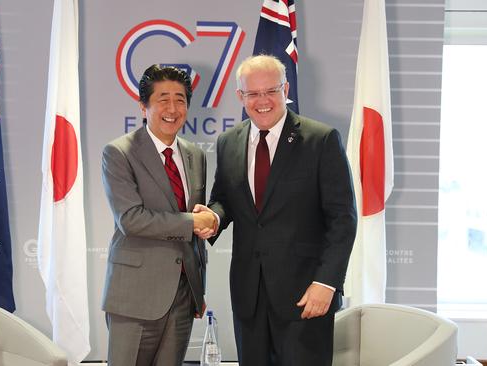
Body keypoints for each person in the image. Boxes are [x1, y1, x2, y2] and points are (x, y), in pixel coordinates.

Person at [206, 55, 357, 365]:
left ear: (286, 89)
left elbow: (342, 219)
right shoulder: (228, 142)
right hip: (249, 295)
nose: (263, 101)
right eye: (253, 93)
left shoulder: (321, 139)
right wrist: (213, 217)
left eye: (271, 91)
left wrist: (326, 282)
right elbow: (224, 199)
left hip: (306, 295)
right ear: (241, 97)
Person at [101, 64, 217, 366]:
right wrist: (192, 223)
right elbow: (131, 219)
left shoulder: (195, 154)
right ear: (143, 106)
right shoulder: (119, 152)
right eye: (162, 99)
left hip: (182, 296)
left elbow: (195, 223)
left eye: (180, 99)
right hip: (134, 296)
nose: (172, 108)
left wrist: (197, 286)